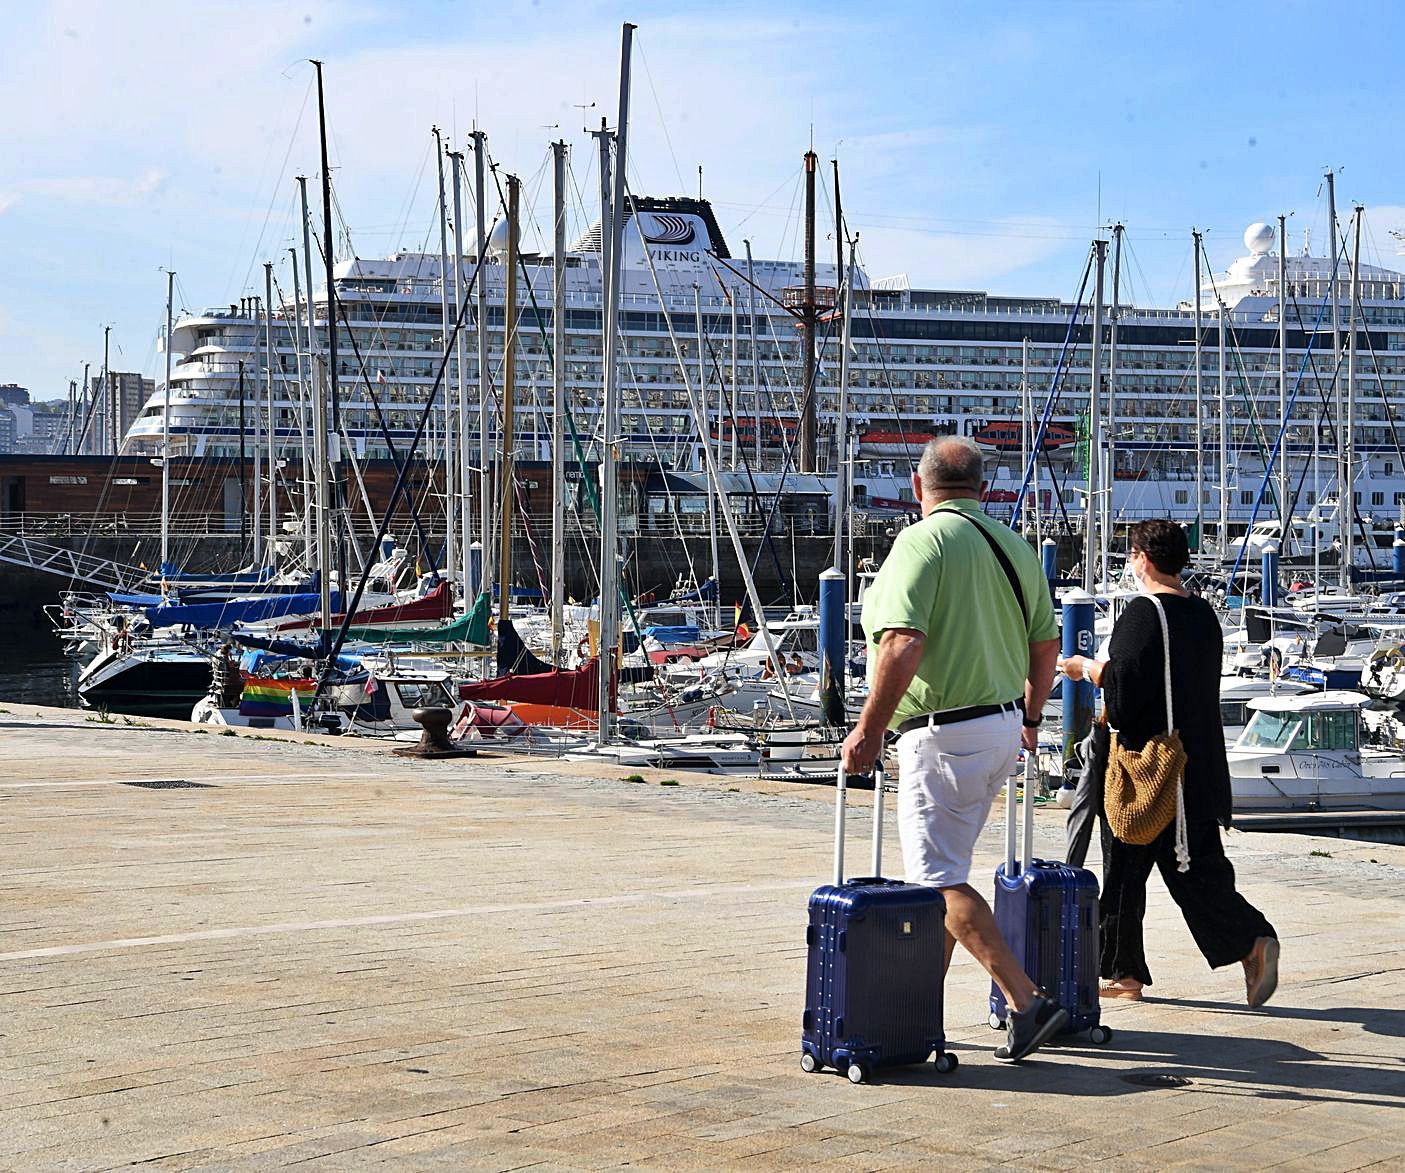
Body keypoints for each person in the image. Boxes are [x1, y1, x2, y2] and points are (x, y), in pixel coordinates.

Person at [841, 436, 1065, 1063]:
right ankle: (912, 1017)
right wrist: (1031, 715)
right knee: (940, 876)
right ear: (984, 488)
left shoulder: (921, 542)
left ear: (919, 488)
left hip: (944, 735)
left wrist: (868, 728)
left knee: (937, 885)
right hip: (999, 728)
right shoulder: (1015, 546)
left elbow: (902, 643)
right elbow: (1045, 646)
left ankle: (1028, 1002)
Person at [1060, 519, 1279, 1006]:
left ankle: (1125, 973)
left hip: (1147, 773)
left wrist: (1087, 670)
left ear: (1140, 557)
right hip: (1196, 767)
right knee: (1196, 872)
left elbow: (1123, 696)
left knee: (1122, 873)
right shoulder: (1202, 614)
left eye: (1130, 555)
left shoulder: (1141, 613)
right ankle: (1250, 942)